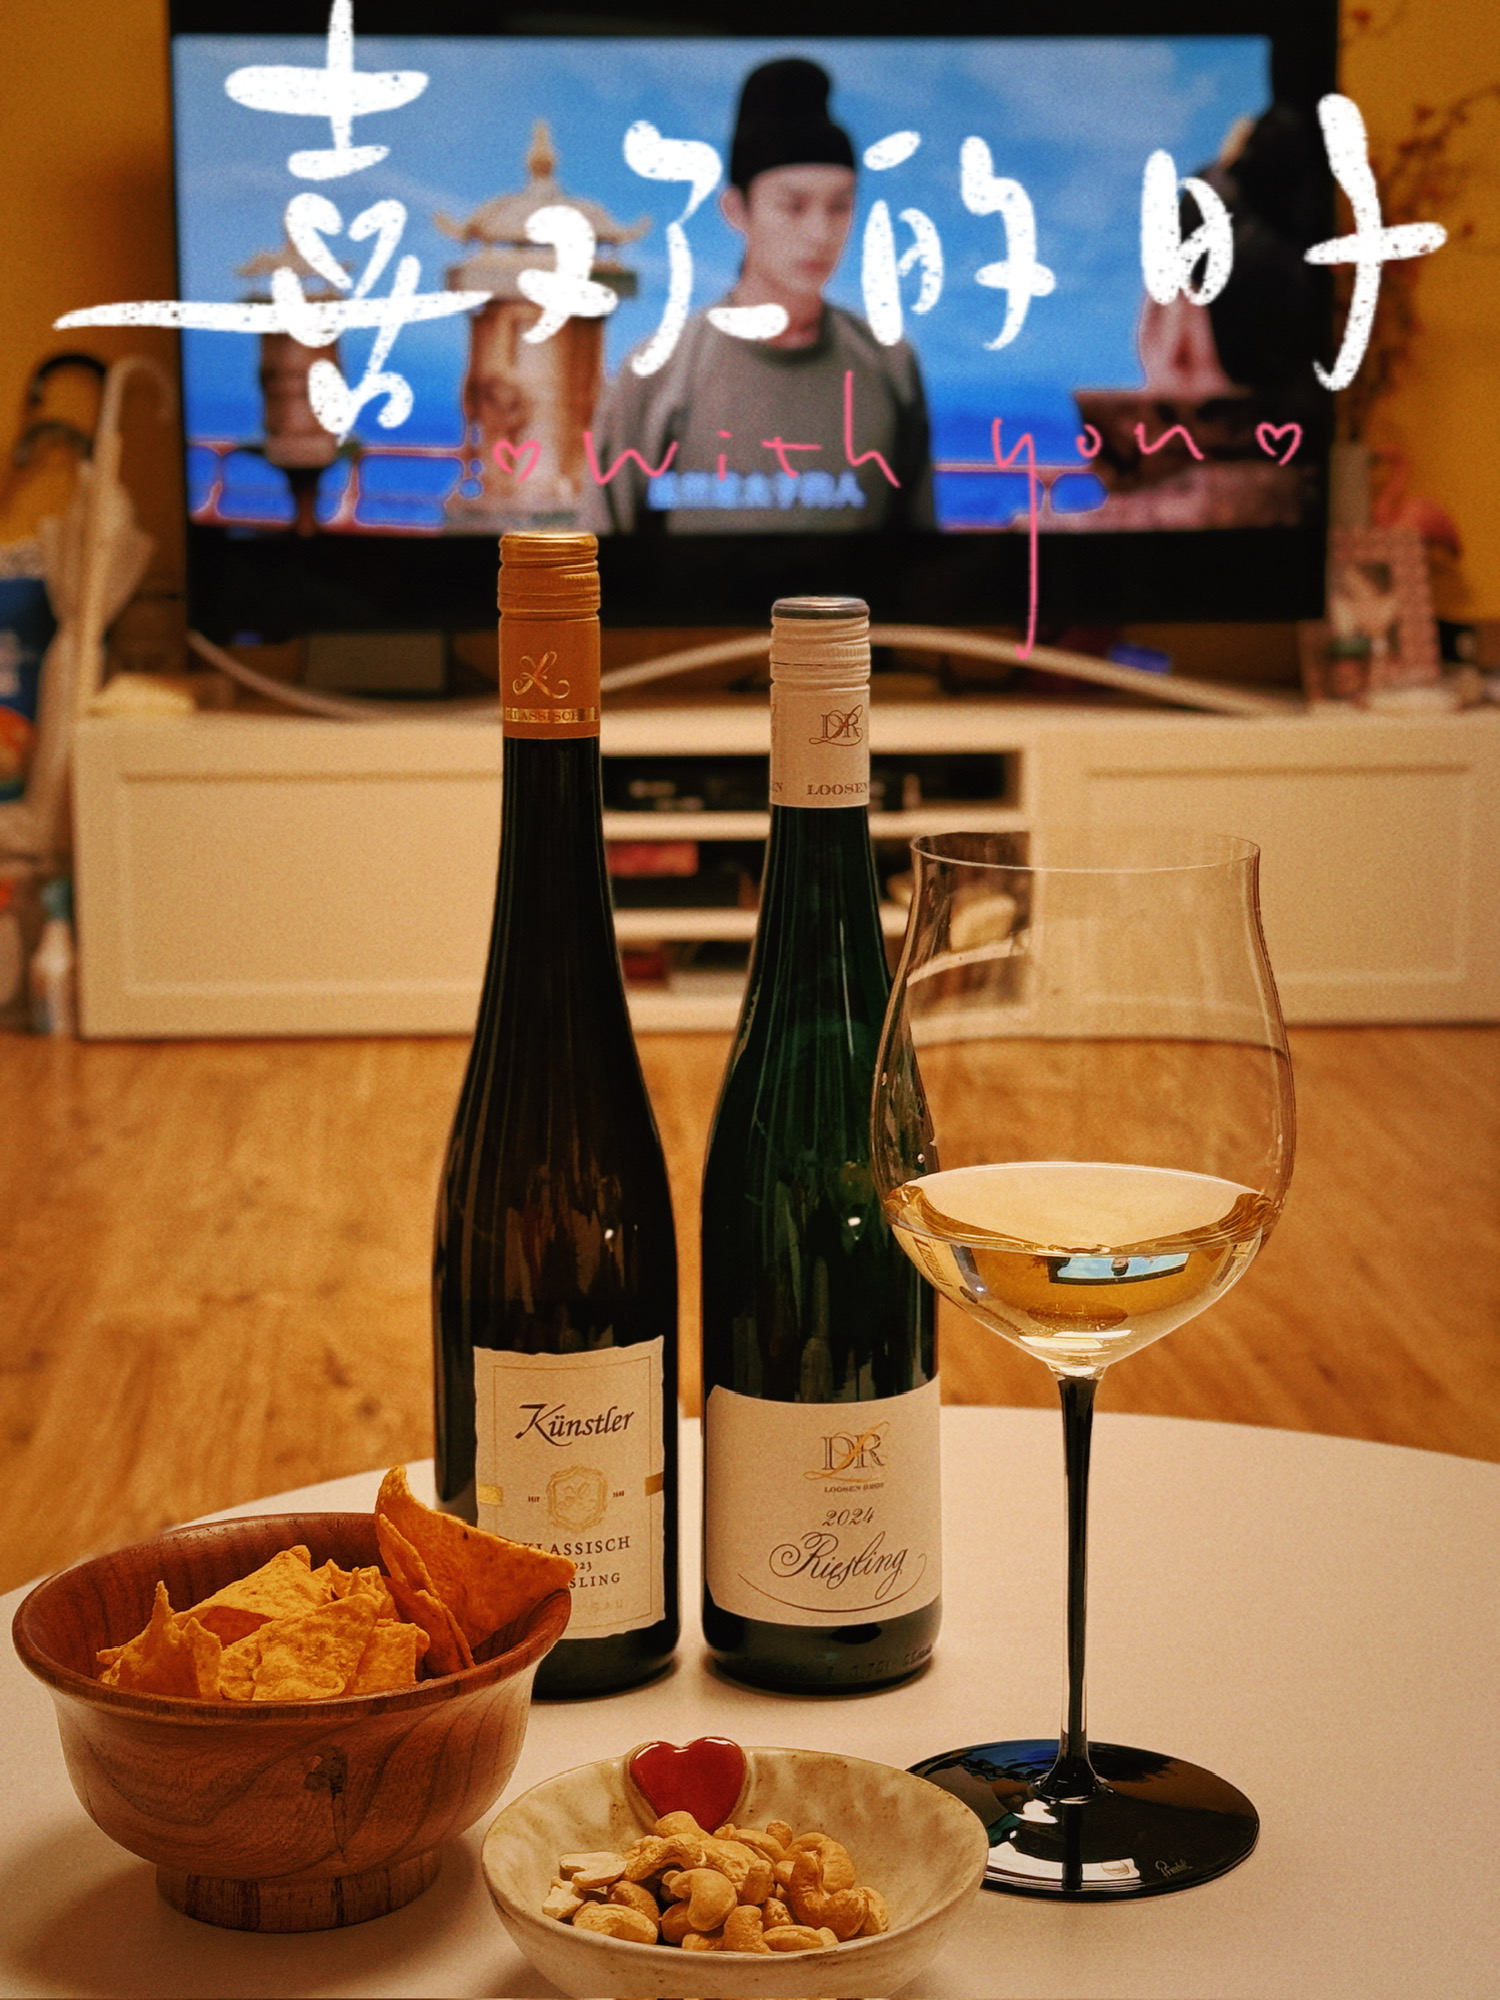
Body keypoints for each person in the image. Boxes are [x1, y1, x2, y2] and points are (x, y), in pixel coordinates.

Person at [582, 57, 934, 535]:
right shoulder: (661, 370)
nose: (819, 233)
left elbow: (922, 557)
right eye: (793, 206)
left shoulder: (889, 364)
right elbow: (599, 551)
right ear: (736, 209)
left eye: (839, 206)